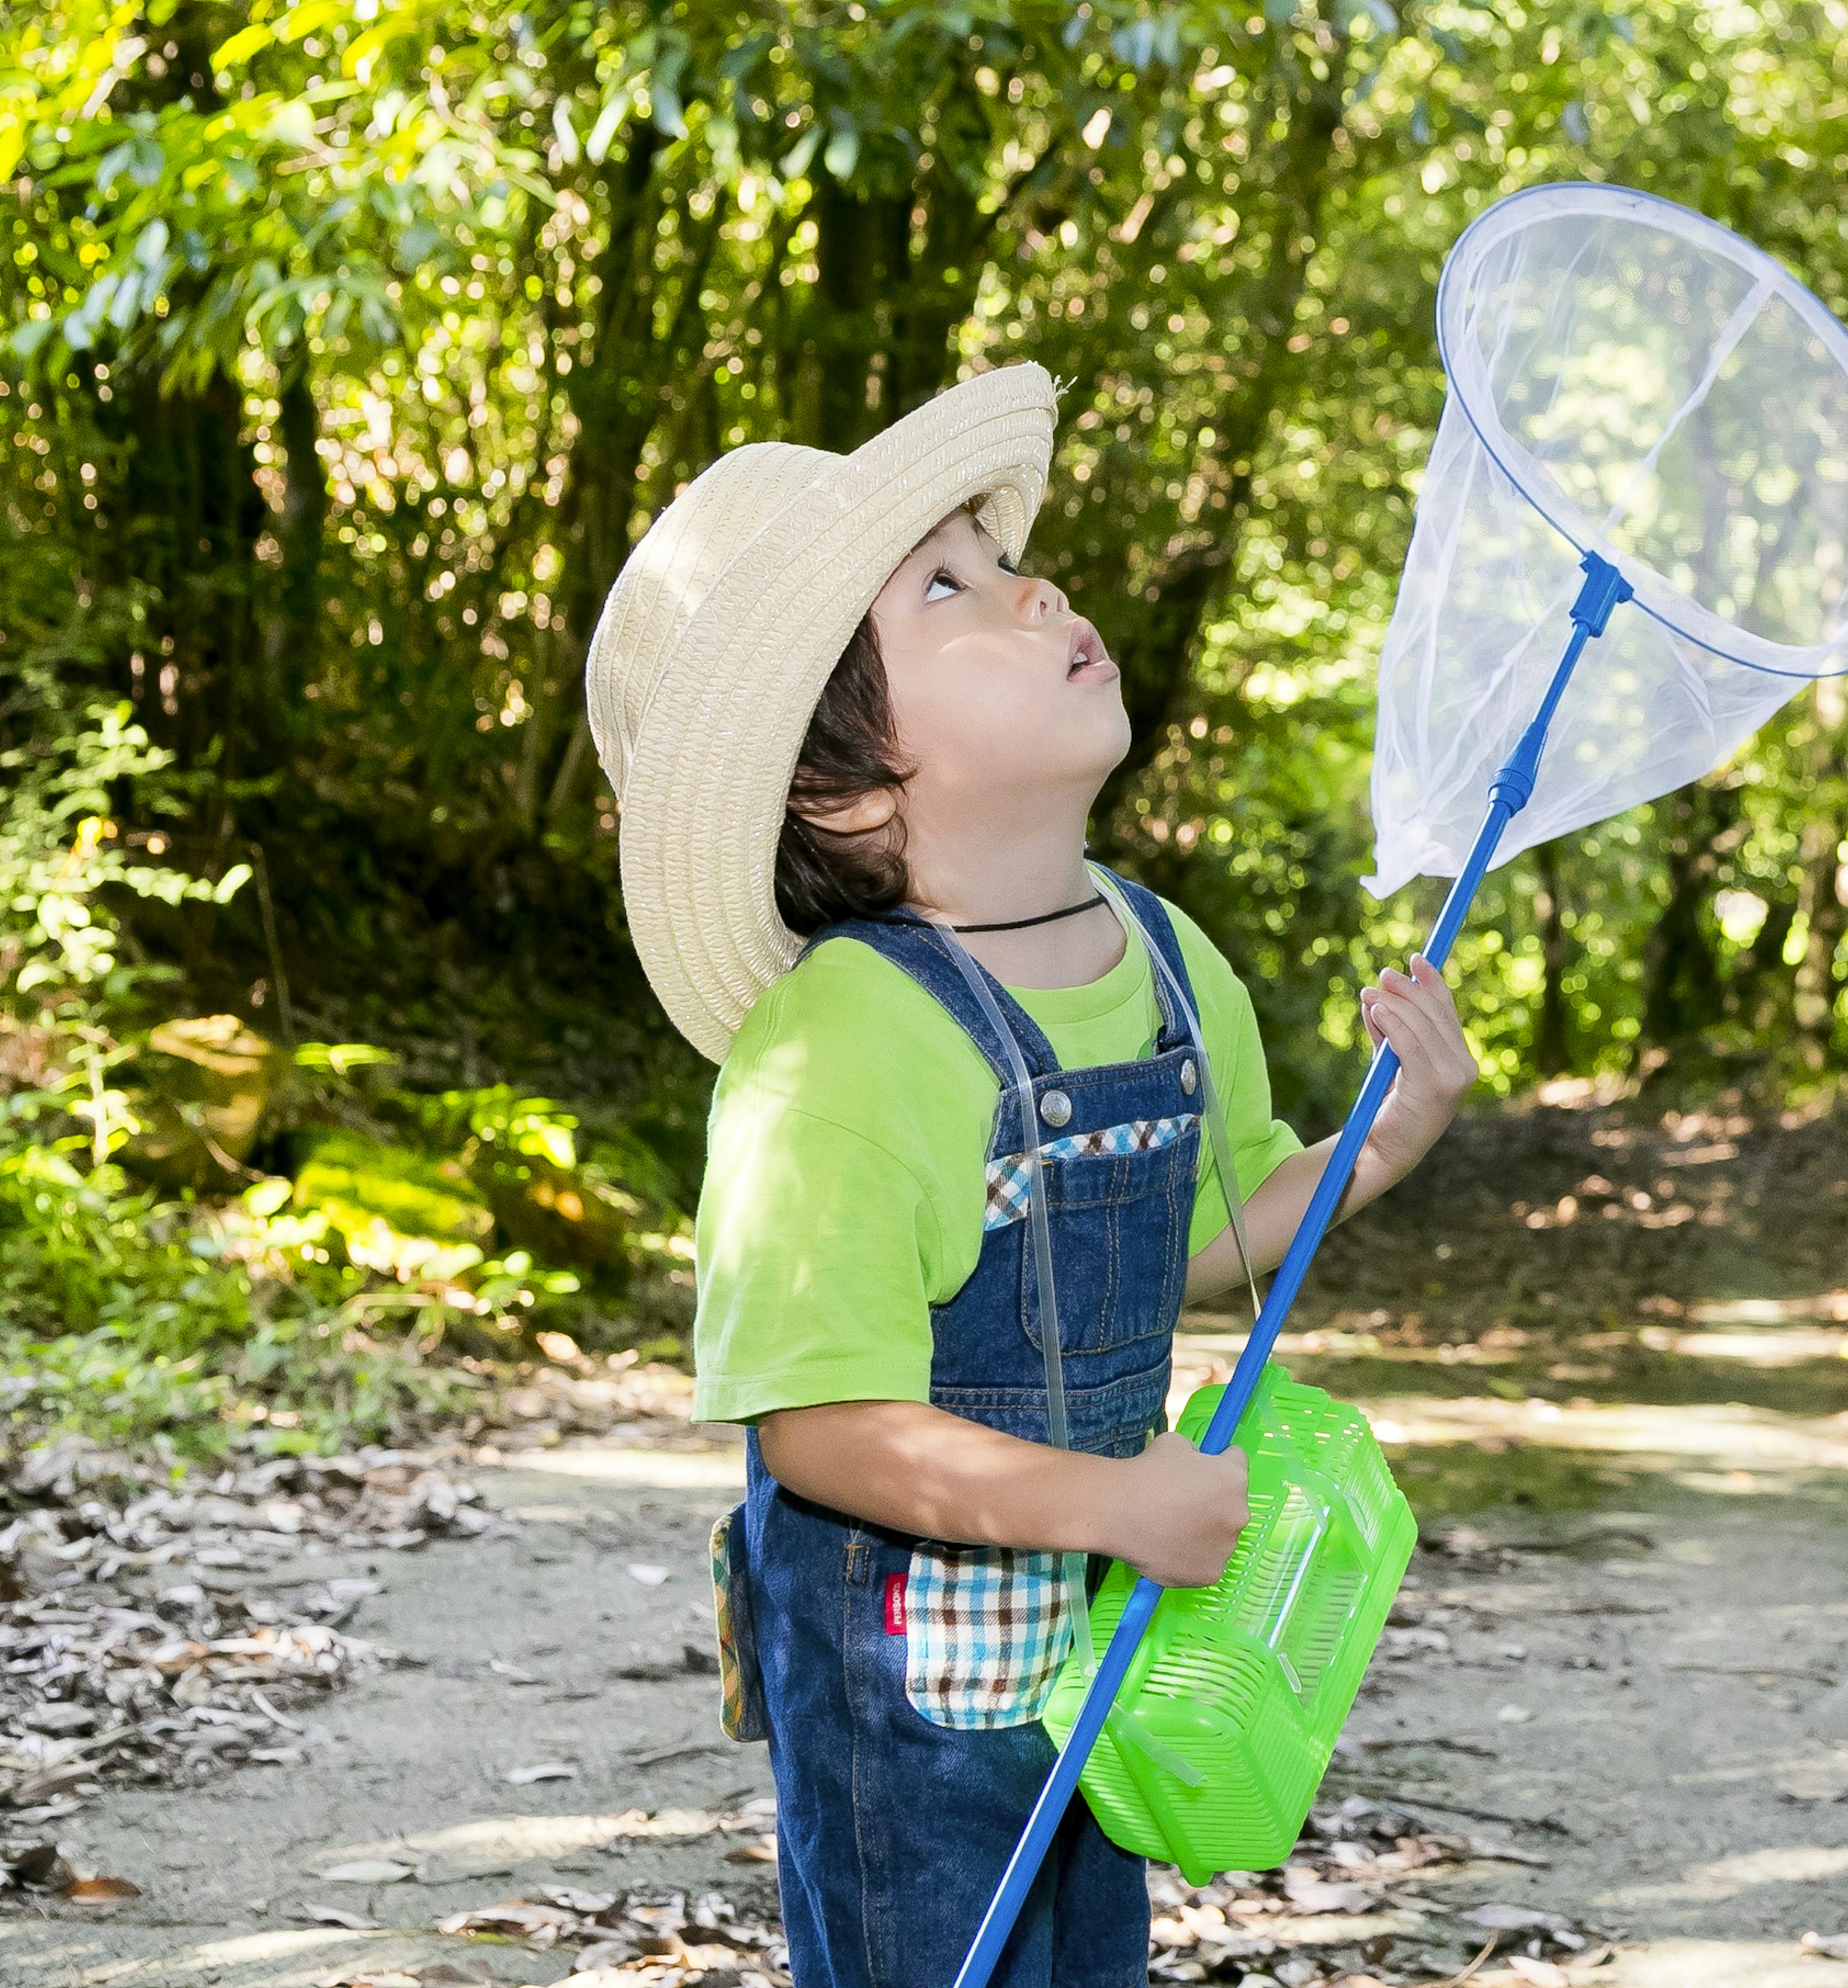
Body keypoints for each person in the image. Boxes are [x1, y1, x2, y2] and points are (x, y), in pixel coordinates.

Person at [582, 362, 1477, 1988]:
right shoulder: (840, 1045)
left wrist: (1380, 1139)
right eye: (947, 588)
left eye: (998, 562)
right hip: (904, 1681)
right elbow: (821, 1423)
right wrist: (1117, 1502)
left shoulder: (1161, 954)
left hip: (1088, 1649)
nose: (1033, 583)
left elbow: (1206, 1238)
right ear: (845, 786)